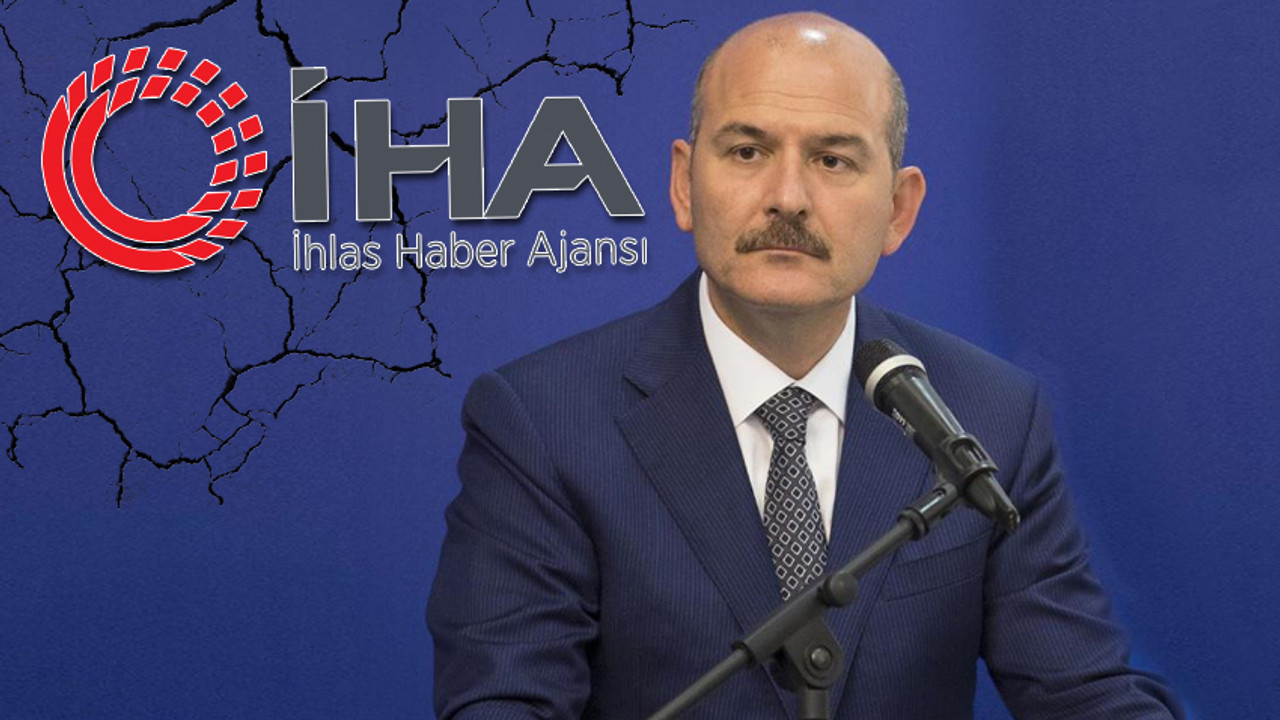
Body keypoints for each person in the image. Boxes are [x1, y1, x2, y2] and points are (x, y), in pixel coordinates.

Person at [427, 12, 1184, 719]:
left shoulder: (988, 413)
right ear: (684, 185)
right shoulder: (544, 420)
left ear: (898, 209)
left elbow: (1084, 689)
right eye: (748, 152)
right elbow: (504, 702)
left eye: (832, 159)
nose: (787, 197)